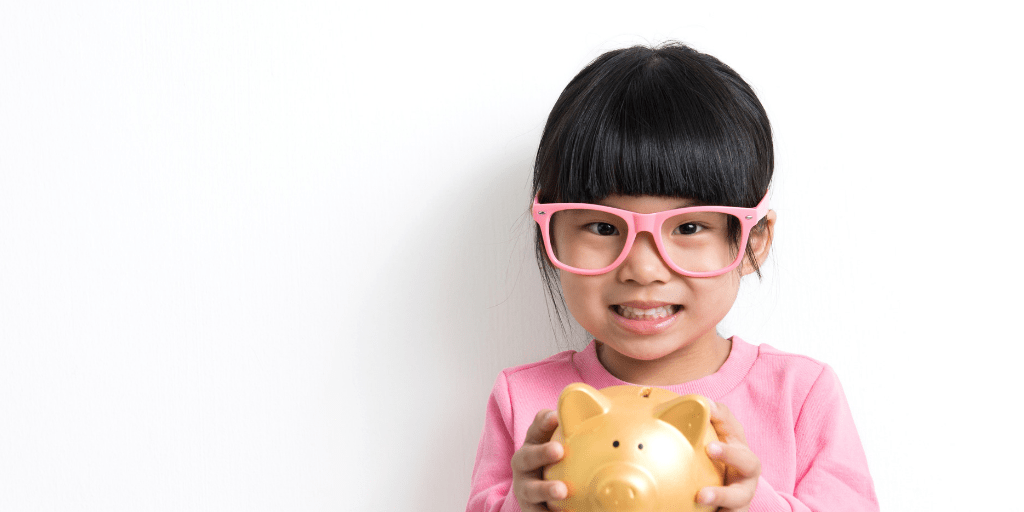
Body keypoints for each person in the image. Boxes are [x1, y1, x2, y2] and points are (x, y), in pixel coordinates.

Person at [466, 42, 878, 512]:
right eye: (602, 227)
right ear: (549, 233)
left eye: (688, 227)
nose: (643, 269)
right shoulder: (524, 401)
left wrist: (752, 503)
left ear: (753, 241)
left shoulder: (800, 396)